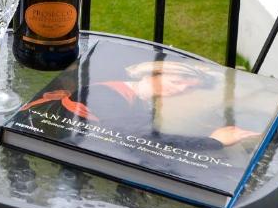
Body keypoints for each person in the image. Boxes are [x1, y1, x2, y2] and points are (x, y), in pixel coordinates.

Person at [17, 58, 259, 151]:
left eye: (189, 88)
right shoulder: (105, 94)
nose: (180, 90)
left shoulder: (140, 106)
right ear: (151, 73)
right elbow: (142, 140)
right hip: (48, 153)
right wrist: (214, 142)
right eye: (177, 81)